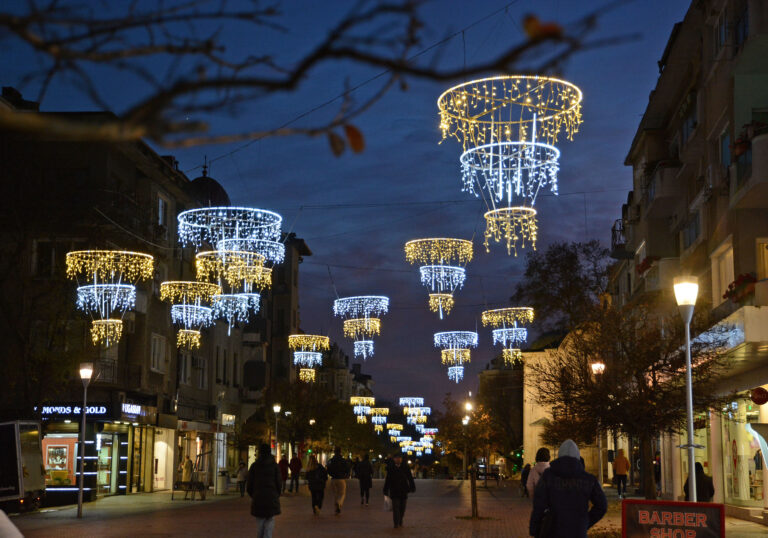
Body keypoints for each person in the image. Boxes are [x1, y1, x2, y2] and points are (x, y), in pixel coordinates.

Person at [529, 439, 607, 538]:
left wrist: (535, 529)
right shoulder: (588, 479)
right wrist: (585, 522)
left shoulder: (548, 476)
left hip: (553, 530)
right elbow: (602, 505)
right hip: (578, 531)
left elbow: (539, 505)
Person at [246, 443, 282, 538]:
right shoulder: (274, 466)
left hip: (258, 498)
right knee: (269, 522)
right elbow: (279, 483)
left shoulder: (254, 466)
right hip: (271, 497)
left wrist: (254, 495)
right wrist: (276, 494)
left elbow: (249, 485)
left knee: (260, 525)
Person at [383, 452, 415, 529]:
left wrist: (412, 487)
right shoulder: (391, 468)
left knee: (402, 508)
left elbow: (410, 478)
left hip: (403, 490)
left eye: (399, 458)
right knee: (396, 507)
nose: (398, 459)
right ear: (394, 459)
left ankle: (400, 520)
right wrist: (385, 490)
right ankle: (396, 523)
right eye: (397, 458)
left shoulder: (405, 467)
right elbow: (388, 480)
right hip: (394, 490)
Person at [327, 446, 350, 515]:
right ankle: (339, 503)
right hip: (341, 479)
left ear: (334, 452)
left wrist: (331, 474)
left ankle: (336, 509)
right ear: (340, 452)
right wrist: (346, 475)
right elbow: (347, 469)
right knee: (342, 493)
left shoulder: (331, 460)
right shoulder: (343, 460)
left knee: (335, 494)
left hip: (333, 479)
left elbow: (328, 469)